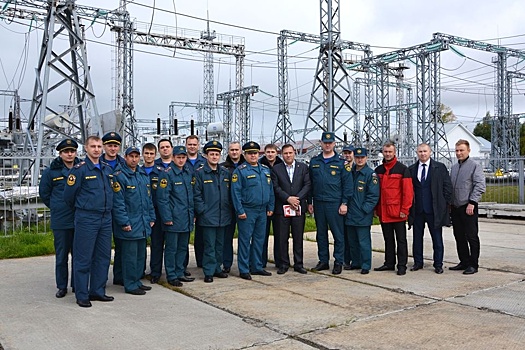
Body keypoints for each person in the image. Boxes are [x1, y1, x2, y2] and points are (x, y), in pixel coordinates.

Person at [63, 136, 114, 308]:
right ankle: (82, 294)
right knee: (83, 258)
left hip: (106, 218)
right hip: (87, 218)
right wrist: (84, 208)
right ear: (86, 148)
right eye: (93, 146)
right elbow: (68, 196)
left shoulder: (107, 169)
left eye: (99, 146)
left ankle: (97, 291)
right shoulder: (80, 170)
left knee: (103, 257)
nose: (97, 149)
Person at [39, 138, 80, 298]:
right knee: (62, 255)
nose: (69, 154)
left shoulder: (81, 168)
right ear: (60, 153)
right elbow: (45, 193)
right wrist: (57, 206)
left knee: (79, 255)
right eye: (66, 151)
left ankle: (78, 284)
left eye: (72, 151)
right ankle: (62, 286)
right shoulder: (52, 172)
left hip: (79, 217)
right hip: (61, 220)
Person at [112, 147, 156, 295]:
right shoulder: (120, 176)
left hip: (142, 222)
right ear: (125, 157)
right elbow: (118, 203)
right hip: (130, 223)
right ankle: (130, 284)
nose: (134, 159)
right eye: (131, 156)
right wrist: (124, 222)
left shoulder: (142, 175)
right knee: (129, 256)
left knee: (140, 255)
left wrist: (151, 217)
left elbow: (148, 199)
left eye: (137, 156)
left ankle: (137, 280)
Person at [308, 132, 353, 274]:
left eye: (330, 142)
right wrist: (310, 202)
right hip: (319, 203)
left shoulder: (341, 163)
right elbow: (310, 184)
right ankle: (323, 261)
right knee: (321, 234)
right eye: (325, 142)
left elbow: (348, 185)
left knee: (338, 234)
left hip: (335, 203)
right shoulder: (315, 162)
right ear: (321, 143)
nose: (327, 145)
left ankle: (338, 261)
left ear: (334, 144)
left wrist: (344, 203)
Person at [231, 141, 275, 280]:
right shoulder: (240, 171)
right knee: (245, 240)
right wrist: (239, 210)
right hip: (247, 210)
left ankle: (256, 266)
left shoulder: (265, 169)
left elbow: (270, 190)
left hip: (262, 210)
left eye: (255, 153)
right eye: (250, 154)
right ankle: (244, 269)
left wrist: (271, 207)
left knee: (259, 240)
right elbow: (235, 192)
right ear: (245, 154)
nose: (253, 156)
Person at [408, 143, 452, 274]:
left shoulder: (440, 168)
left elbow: (447, 187)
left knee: (437, 238)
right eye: (420, 151)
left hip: (434, 210)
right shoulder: (411, 169)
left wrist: (444, 205)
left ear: (430, 152)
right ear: (417, 153)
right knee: (417, 238)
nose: (423, 154)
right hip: (418, 210)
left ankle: (438, 264)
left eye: (425, 151)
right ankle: (418, 262)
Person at [193, 141, 232, 283]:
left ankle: (217, 268)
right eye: (212, 154)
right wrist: (202, 210)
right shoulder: (200, 173)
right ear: (206, 155)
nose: (214, 157)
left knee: (220, 244)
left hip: (223, 215)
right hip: (208, 216)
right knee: (209, 245)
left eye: (217, 154)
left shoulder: (225, 172)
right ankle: (208, 271)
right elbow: (196, 194)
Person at [156, 146, 195, 287]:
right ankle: (171, 275)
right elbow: (162, 199)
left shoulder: (187, 172)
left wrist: (193, 214)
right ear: (173, 158)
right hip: (173, 218)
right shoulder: (167, 174)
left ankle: (180, 272)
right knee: (172, 248)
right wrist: (167, 218)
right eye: (178, 157)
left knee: (182, 248)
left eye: (183, 157)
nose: (181, 160)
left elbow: (190, 197)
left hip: (186, 217)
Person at [374, 141, 413, 276]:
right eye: (385, 151)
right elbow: (376, 192)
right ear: (382, 152)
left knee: (401, 240)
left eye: (390, 152)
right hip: (384, 211)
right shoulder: (378, 170)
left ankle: (402, 265)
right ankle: (389, 263)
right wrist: (376, 209)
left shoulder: (403, 169)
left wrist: (405, 210)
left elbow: (408, 193)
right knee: (388, 239)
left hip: (398, 213)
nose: (388, 154)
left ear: (394, 152)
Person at [271, 144, 311, 274]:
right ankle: (283, 264)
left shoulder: (303, 167)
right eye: (285, 153)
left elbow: (307, 184)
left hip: (298, 207)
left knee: (298, 237)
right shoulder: (276, 169)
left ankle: (298, 264)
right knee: (282, 238)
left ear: (294, 153)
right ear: (282, 155)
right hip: (282, 208)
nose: (288, 155)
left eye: (290, 153)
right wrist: (288, 198)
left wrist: (297, 199)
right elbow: (276, 187)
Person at [449, 139, 486, 275]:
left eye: (462, 150)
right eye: (457, 150)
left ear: (468, 150)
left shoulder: (475, 166)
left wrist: (472, 202)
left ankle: (473, 264)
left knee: (471, 236)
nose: (459, 153)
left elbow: (480, 185)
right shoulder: (454, 168)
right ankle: (463, 261)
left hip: (468, 206)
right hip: (456, 207)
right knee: (459, 236)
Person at [345, 148, 380, 274]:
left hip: (362, 214)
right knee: (352, 241)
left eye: (362, 157)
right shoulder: (350, 172)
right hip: (349, 214)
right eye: (357, 157)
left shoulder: (370, 174)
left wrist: (364, 210)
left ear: (366, 158)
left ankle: (365, 264)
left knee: (363, 242)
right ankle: (356, 262)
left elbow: (373, 196)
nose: (359, 160)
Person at [100, 132, 126, 286]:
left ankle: (120, 277)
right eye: (109, 145)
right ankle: (100, 281)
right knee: (102, 250)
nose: (112, 148)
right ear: (104, 146)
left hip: (120, 211)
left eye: (115, 145)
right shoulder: (97, 163)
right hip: (103, 211)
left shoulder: (124, 164)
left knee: (122, 246)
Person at [149, 139, 174, 284]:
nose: (165, 149)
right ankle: (155, 272)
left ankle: (178, 270)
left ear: (171, 148)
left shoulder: (179, 165)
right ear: (159, 150)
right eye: (162, 147)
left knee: (174, 245)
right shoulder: (154, 166)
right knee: (157, 244)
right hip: (157, 212)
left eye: (167, 147)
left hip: (175, 212)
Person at [220, 141, 246, 273]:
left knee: (245, 237)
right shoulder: (222, 168)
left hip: (244, 208)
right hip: (228, 208)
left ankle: (246, 264)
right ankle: (227, 264)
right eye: (232, 150)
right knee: (227, 238)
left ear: (240, 151)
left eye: (236, 150)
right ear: (228, 151)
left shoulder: (247, 166)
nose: (234, 152)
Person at [259, 144, 284, 269]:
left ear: (276, 153)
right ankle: (261, 261)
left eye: (272, 152)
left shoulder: (282, 165)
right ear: (264, 153)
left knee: (280, 235)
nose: (270, 154)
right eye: (268, 152)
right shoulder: (259, 165)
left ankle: (280, 261)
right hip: (264, 205)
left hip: (279, 204)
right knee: (262, 235)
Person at [185, 135, 206, 269]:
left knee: (202, 236)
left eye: (194, 144)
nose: (192, 146)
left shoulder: (204, 162)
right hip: (185, 204)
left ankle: (201, 262)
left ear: (198, 146)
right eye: (190, 144)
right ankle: (183, 266)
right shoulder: (181, 160)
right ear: (186, 145)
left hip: (201, 203)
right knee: (183, 238)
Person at [341, 144, 355, 270]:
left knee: (355, 235)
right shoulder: (341, 166)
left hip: (355, 206)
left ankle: (357, 259)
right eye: (345, 153)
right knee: (344, 234)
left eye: (349, 153)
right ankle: (346, 259)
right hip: (344, 205)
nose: (347, 155)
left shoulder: (357, 168)